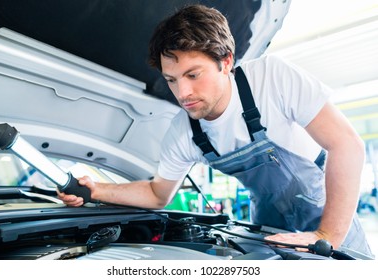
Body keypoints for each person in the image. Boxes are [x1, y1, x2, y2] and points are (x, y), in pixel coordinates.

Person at [58, 4, 373, 257]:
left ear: (226, 62)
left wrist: (327, 235)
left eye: (193, 74)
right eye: (171, 79)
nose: (182, 93)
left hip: (332, 218)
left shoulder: (271, 78)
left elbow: (346, 145)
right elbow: (157, 194)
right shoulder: (183, 132)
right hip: (268, 228)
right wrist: (95, 189)